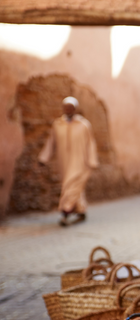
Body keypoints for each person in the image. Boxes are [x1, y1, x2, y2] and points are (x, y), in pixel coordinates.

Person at [39, 97, 99, 226]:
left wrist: (92, 160)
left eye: (71, 107)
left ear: (75, 109)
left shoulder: (84, 125)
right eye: (66, 107)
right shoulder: (57, 124)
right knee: (72, 186)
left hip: (81, 161)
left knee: (71, 185)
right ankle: (81, 210)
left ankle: (65, 211)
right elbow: (51, 143)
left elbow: (91, 144)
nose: (68, 109)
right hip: (64, 161)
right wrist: (44, 158)